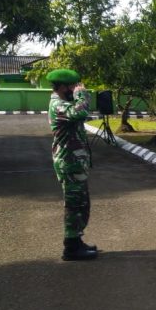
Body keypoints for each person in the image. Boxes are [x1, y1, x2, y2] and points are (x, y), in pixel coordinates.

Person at [47, 69, 98, 261]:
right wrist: (82, 95)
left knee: (81, 203)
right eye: (72, 86)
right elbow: (82, 111)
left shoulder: (64, 103)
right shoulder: (58, 105)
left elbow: (81, 113)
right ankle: (71, 248)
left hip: (75, 162)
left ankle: (76, 241)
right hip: (68, 163)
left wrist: (78, 96)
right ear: (61, 86)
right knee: (74, 204)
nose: (75, 89)